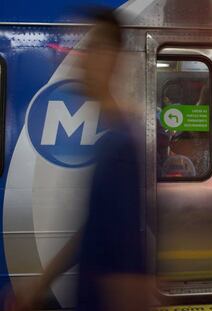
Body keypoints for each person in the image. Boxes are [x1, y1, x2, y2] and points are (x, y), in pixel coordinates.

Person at [5, 8, 150, 311]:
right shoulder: (110, 137)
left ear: (111, 58)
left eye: (88, 48)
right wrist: (40, 284)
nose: (76, 60)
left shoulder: (122, 145)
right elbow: (93, 228)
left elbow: (130, 265)